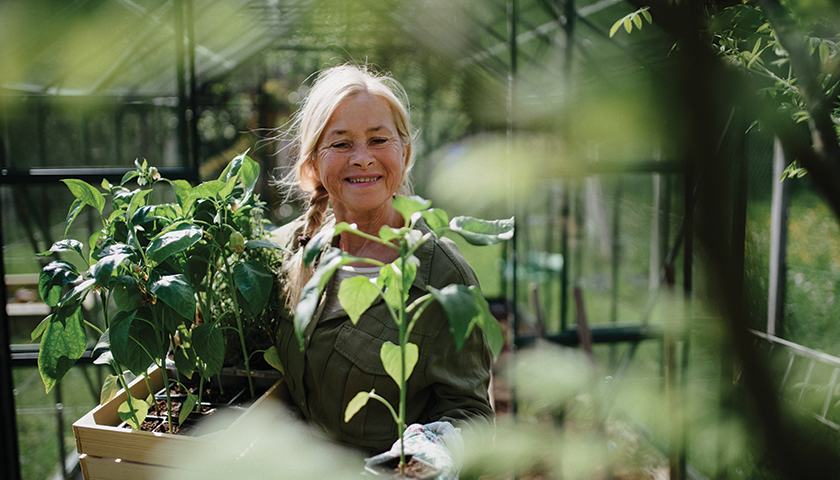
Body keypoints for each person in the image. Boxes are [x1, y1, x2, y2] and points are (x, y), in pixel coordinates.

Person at [271, 64, 493, 475]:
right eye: (340, 144)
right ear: (313, 161)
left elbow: (471, 413)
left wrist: (430, 452)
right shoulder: (289, 249)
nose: (362, 158)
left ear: (404, 153)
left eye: (378, 139)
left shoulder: (442, 279)